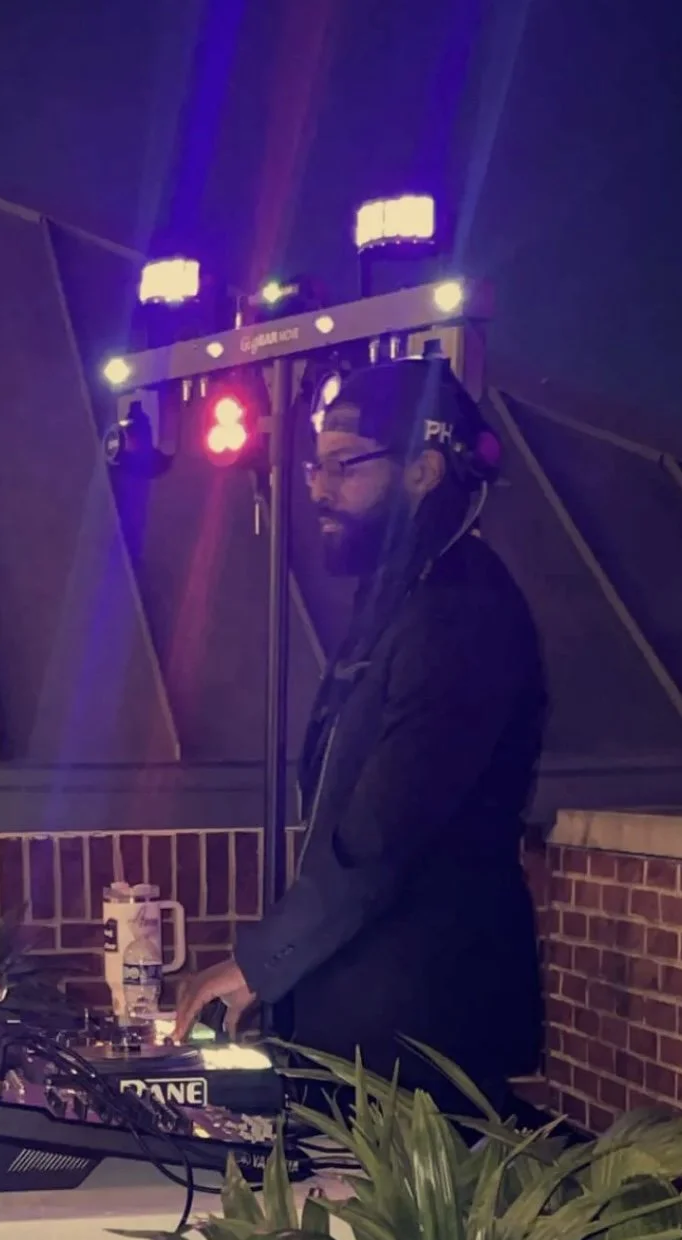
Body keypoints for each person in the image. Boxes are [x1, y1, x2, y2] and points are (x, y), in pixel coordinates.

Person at [172, 352, 547, 1118]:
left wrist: (255, 967)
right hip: (369, 1024)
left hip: (424, 1031)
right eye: (315, 466)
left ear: (423, 470)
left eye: (344, 466)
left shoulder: (461, 614)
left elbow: (380, 835)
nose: (316, 488)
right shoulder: (405, 601)